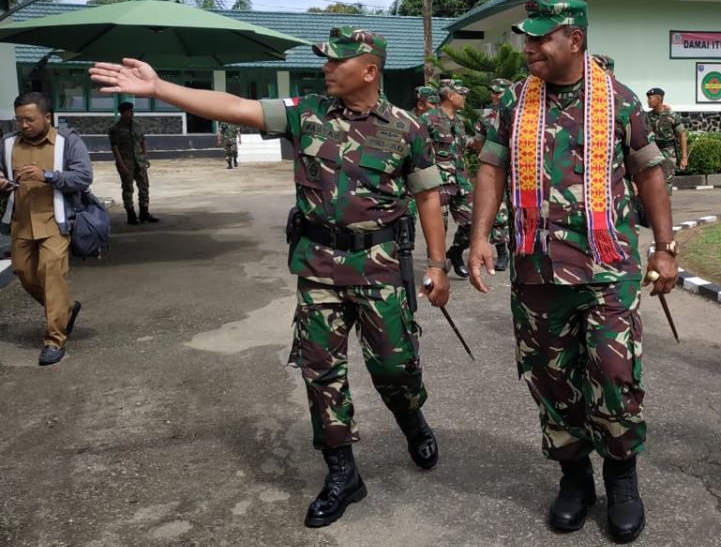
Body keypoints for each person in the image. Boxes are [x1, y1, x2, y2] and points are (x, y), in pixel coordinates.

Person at [88, 27, 451, 528]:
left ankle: (411, 418)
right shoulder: (306, 112)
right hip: (319, 267)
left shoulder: (406, 127)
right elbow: (234, 106)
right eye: (324, 60)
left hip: (381, 268)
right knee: (320, 371)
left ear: (369, 70)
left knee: (394, 366)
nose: (326, 68)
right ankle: (343, 471)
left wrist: (436, 264)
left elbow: (429, 196)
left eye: (336, 61)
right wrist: (160, 89)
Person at [467, 0, 677, 544]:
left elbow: (650, 174)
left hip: (608, 269)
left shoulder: (621, 101)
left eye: (541, 38)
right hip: (537, 270)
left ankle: (622, 478)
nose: (529, 47)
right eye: (526, 37)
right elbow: (490, 168)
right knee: (551, 379)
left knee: (614, 375)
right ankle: (574, 478)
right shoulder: (513, 101)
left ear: (575, 40)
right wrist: (480, 237)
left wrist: (665, 247)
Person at [0, 92, 92, 366]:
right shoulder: (7, 143)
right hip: (21, 221)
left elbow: (84, 176)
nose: (24, 125)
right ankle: (65, 309)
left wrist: (48, 176)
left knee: (51, 274)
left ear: (47, 117)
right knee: (23, 272)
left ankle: (55, 339)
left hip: (55, 221)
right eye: (19, 120)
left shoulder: (67, 142)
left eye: (29, 119)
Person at [422, 78, 473, 278]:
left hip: (461, 181)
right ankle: (438, 269)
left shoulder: (459, 122)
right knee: (437, 231)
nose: (465, 98)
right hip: (438, 183)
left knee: (474, 223)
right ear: (450, 96)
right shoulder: (428, 119)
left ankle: (456, 251)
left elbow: (460, 148)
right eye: (462, 94)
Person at [472, 78, 514, 271]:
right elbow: (480, 145)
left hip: (518, 175)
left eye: (500, 92)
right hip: (495, 171)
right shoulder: (485, 119)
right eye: (493, 92)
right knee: (498, 213)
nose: (496, 95)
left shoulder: (518, 113)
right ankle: (502, 252)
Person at [108, 100, 159, 225]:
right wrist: (120, 164)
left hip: (139, 162)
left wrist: (146, 157)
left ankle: (144, 213)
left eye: (132, 111)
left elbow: (143, 142)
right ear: (122, 113)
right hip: (126, 163)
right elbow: (115, 148)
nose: (132, 113)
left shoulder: (138, 126)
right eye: (129, 111)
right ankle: (131, 215)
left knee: (144, 187)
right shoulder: (115, 129)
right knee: (128, 188)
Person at [645, 88, 687, 194]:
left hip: (668, 152)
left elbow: (682, 135)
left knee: (666, 183)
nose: (648, 101)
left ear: (658, 99)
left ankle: (664, 209)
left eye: (650, 98)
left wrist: (684, 158)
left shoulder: (671, 115)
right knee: (651, 182)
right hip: (652, 152)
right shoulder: (647, 116)